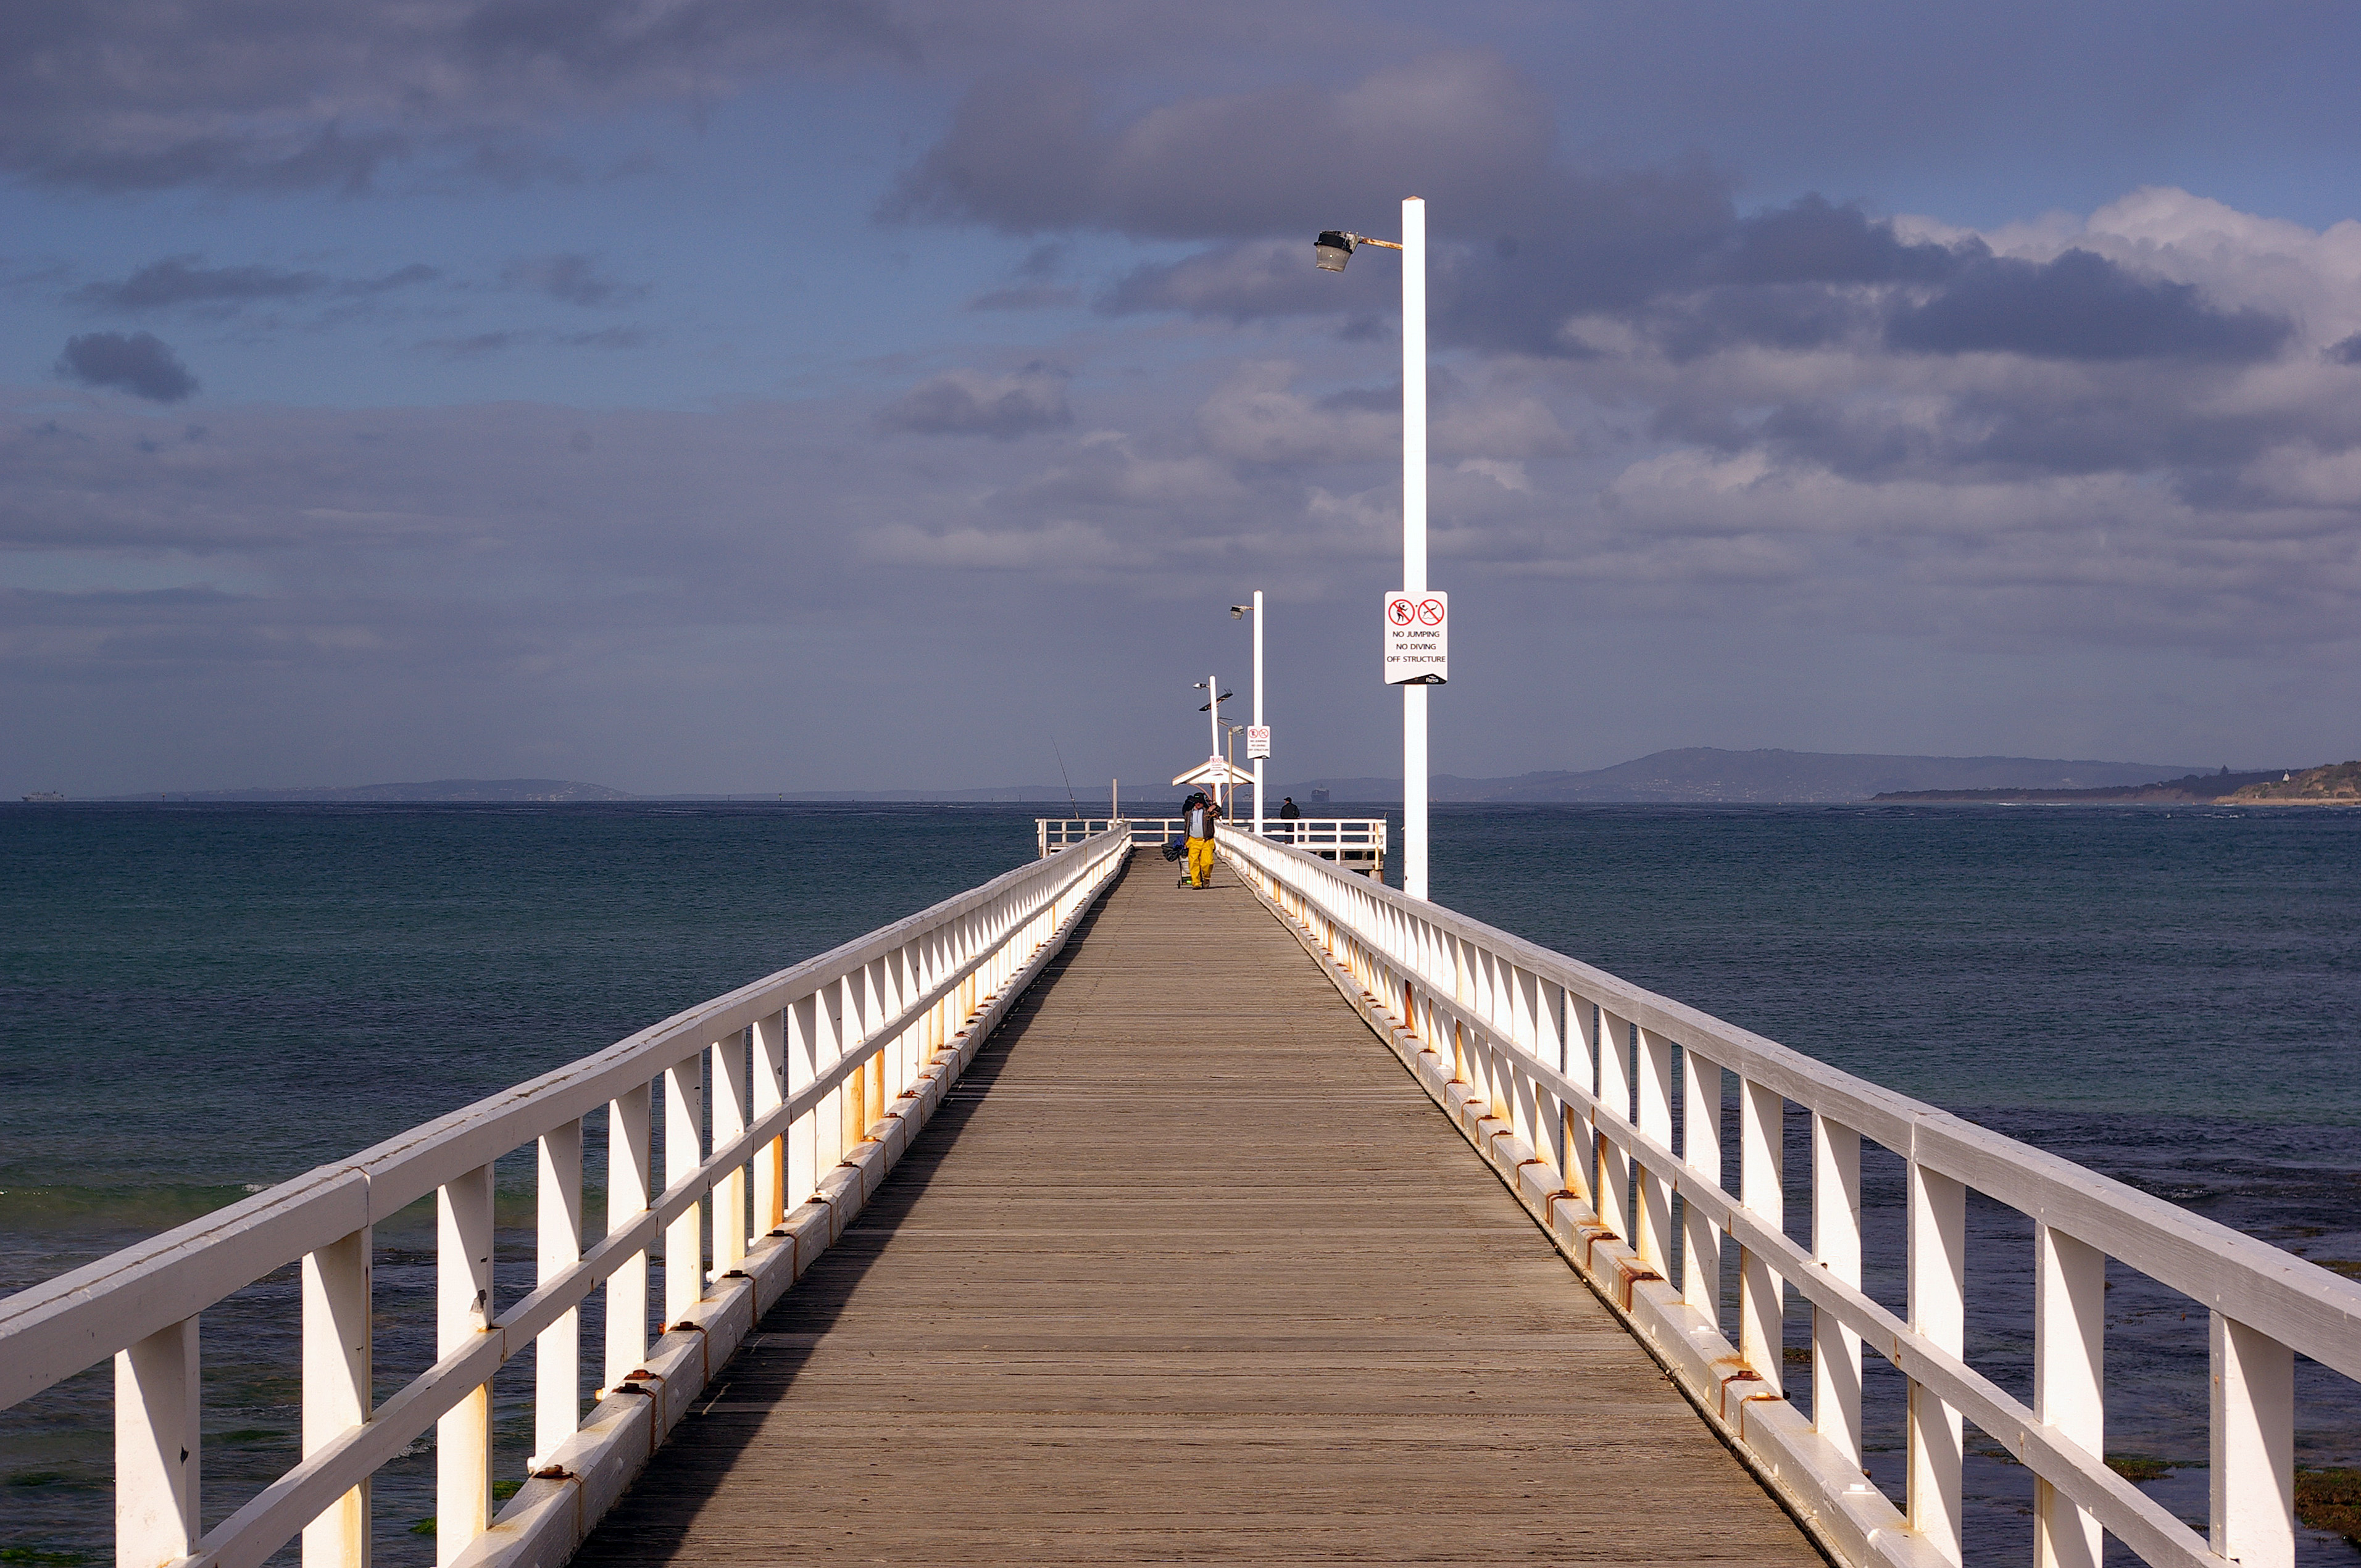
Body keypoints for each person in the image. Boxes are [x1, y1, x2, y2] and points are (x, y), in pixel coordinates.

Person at [1181, 789, 1222, 889]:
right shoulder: (1189, 813)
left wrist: (1215, 807)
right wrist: (1185, 841)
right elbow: (1186, 826)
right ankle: (1196, 883)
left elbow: (1219, 812)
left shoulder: (1208, 812)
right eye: (1197, 802)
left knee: (1207, 863)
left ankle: (1206, 877)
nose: (1198, 804)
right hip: (1193, 840)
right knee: (1193, 862)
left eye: (1200, 802)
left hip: (1207, 841)